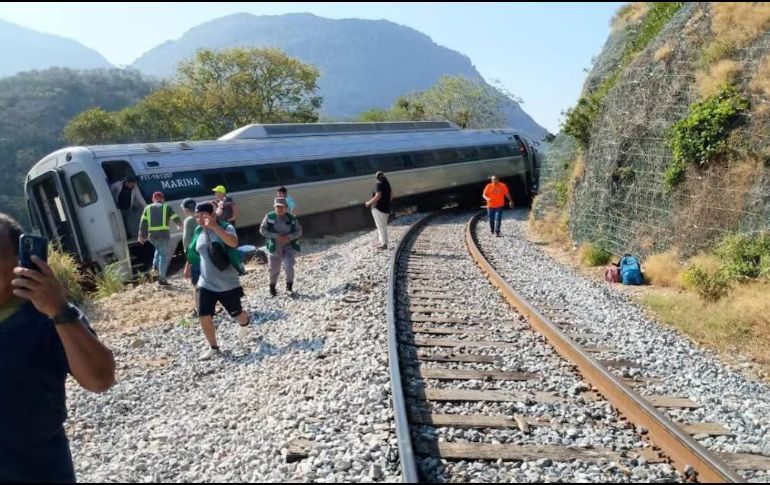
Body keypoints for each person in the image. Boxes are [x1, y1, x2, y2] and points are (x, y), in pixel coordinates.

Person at [0, 212, 115, 482]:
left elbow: (100, 379)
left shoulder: (45, 314)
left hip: (35, 471)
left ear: (20, 261)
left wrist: (59, 310)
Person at [184, 202, 251, 361]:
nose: (199, 219)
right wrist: (188, 265)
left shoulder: (226, 227)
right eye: (197, 216)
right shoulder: (198, 230)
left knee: (237, 313)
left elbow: (233, 243)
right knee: (203, 314)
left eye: (202, 216)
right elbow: (194, 250)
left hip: (227, 282)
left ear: (212, 215)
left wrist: (215, 227)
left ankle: (244, 323)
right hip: (205, 282)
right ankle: (213, 348)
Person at [259, 198, 303, 297]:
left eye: (282, 207)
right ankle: (272, 287)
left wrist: (288, 237)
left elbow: (299, 231)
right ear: (274, 207)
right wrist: (275, 236)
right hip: (274, 245)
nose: (279, 209)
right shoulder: (269, 217)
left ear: (286, 208)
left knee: (289, 266)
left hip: (288, 245)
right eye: (277, 207)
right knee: (274, 269)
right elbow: (262, 230)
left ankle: (289, 287)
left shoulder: (292, 219)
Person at [138, 191, 183, 286]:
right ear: (162, 199)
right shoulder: (167, 207)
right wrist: (180, 224)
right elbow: (175, 217)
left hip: (152, 236)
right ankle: (162, 278)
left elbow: (143, 222)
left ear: (153, 199)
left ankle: (154, 268)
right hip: (163, 235)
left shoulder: (147, 208)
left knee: (158, 250)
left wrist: (141, 235)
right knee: (163, 256)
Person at [181, 198, 200, 316]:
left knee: (197, 284)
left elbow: (188, 243)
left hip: (196, 256)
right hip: (206, 254)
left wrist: (188, 263)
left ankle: (199, 310)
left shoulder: (189, 220)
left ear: (186, 209)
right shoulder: (202, 217)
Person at [365, 171, 392, 250]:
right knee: (381, 226)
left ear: (376, 177)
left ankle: (384, 244)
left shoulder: (378, 184)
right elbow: (391, 195)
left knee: (381, 226)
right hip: (386, 209)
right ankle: (381, 242)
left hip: (378, 208)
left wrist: (368, 203)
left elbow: (378, 196)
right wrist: (387, 203)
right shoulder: (387, 184)